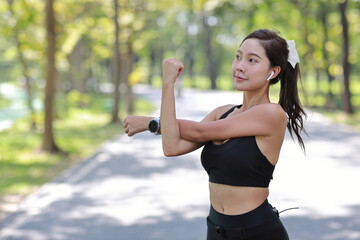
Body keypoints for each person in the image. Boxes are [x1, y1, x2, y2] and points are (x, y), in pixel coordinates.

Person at [124, 29, 306, 240]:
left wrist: (150, 122)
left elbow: (200, 131)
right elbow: (172, 147)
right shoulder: (223, 112)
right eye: (238, 57)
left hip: (256, 231)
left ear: (272, 72)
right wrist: (168, 84)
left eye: (252, 60)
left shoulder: (271, 114)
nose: (239, 66)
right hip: (216, 229)